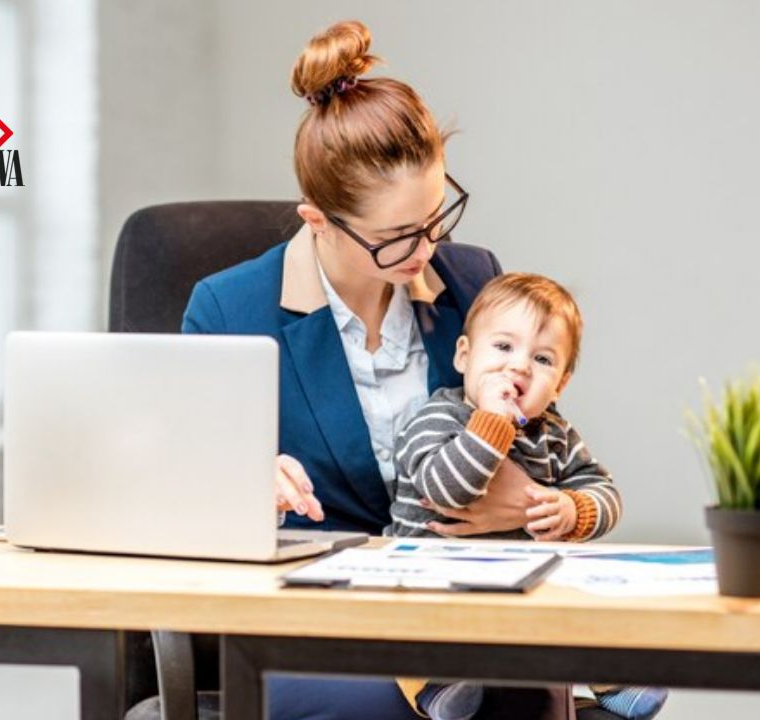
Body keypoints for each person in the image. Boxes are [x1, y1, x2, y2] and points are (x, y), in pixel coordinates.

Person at [183, 18, 579, 720]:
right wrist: (235, 480)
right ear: (319, 221)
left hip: (462, 604)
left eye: (436, 218)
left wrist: (527, 502)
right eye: (399, 237)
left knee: (531, 689)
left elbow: (537, 434)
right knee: (386, 706)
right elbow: (171, 488)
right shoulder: (229, 308)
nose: (427, 250)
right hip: (311, 622)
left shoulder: (469, 280)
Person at [387, 273, 667, 720]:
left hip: (526, 584)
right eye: (503, 348)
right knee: (412, 624)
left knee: (587, 595)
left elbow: (604, 489)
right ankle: (440, 685)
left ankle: (615, 679)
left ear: (560, 384)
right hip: (437, 578)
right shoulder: (439, 417)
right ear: (464, 355)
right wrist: (493, 423)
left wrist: (574, 509)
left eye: (541, 358)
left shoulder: (555, 434)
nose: (518, 367)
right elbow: (446, 489)